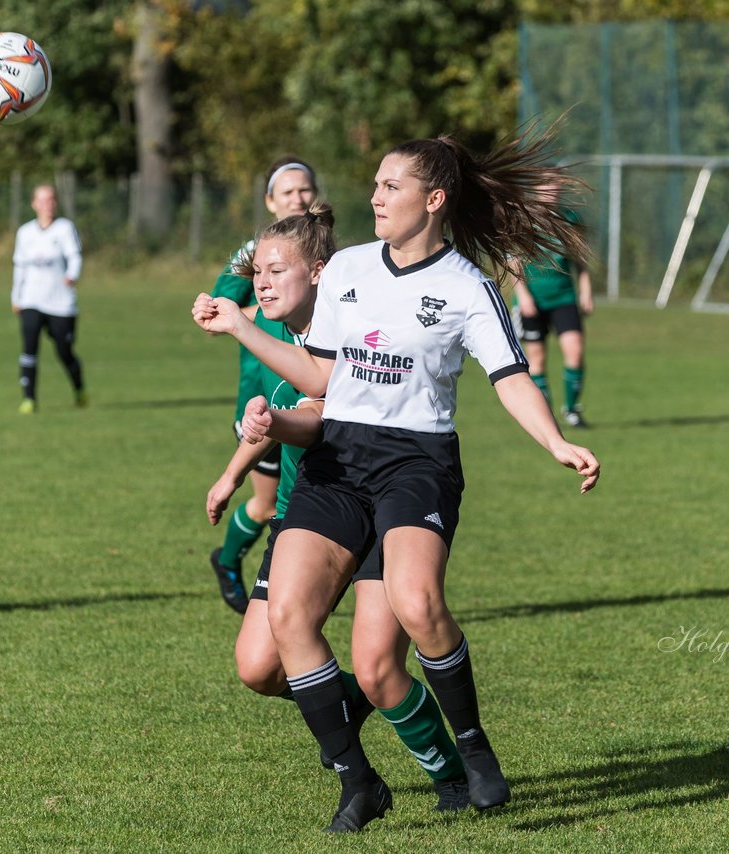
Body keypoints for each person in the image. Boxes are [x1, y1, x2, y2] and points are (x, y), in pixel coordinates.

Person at [192, 126, 601, 833]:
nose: (375, 196)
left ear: (433, 200)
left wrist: (555, 440)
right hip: (339, 462)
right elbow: (323, 378)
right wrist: (244, 332)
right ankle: (357, 781)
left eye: (391, 187)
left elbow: (511, 378)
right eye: (377, 185)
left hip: (417, 463)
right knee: (287, 621)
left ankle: (471, 746)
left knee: (412, 608)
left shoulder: (467, 287)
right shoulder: (347, 268)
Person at [202, 206, 470, 821]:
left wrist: (273, 418)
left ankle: (446, 770)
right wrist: (232, 473)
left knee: (379, 669)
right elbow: (280, 406)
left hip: (373, 499)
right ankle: (338, 704)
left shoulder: (349, 322)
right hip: (310, 506)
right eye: (257, 271)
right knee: (259, 666)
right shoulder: (282, 335)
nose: (261, 282)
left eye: (276, 269)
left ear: (319, 271)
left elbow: (314, 411)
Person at [207, 157, 319, 614]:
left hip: (314, 395)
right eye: (287, 192)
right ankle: (230, 561)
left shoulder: (323, 252)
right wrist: (230, 316)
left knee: (293, 496)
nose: (298, 198)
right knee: (267, 499)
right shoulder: (253, 253)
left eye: (305, 190)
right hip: (262, 395)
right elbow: (218, 307)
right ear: (270, 201)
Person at [512, 196, 593, 427]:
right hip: (532, 300)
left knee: (575, 351)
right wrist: (523, 295)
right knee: (537, 361)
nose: (553, 189)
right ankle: (545, 417)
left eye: (556, 184)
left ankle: (572, 410)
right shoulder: (523, 218)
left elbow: (580, 258)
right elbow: (512, 261)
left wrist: (586, 289)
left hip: (564, 297)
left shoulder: (570, 218)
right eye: (547, 184)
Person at [11, 183, 86, 414]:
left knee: (64, 351)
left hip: (60, 303)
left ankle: (79, 388)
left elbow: (75, 256)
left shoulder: (64, 228)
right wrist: (16, 296)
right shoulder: (25, 232)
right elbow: (19, 267)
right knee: (29, 348)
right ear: (34, 204)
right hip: (32, 300)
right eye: (42, 200)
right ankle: (29, 399)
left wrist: (72, 275)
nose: (48, 205)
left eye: (51, 200)